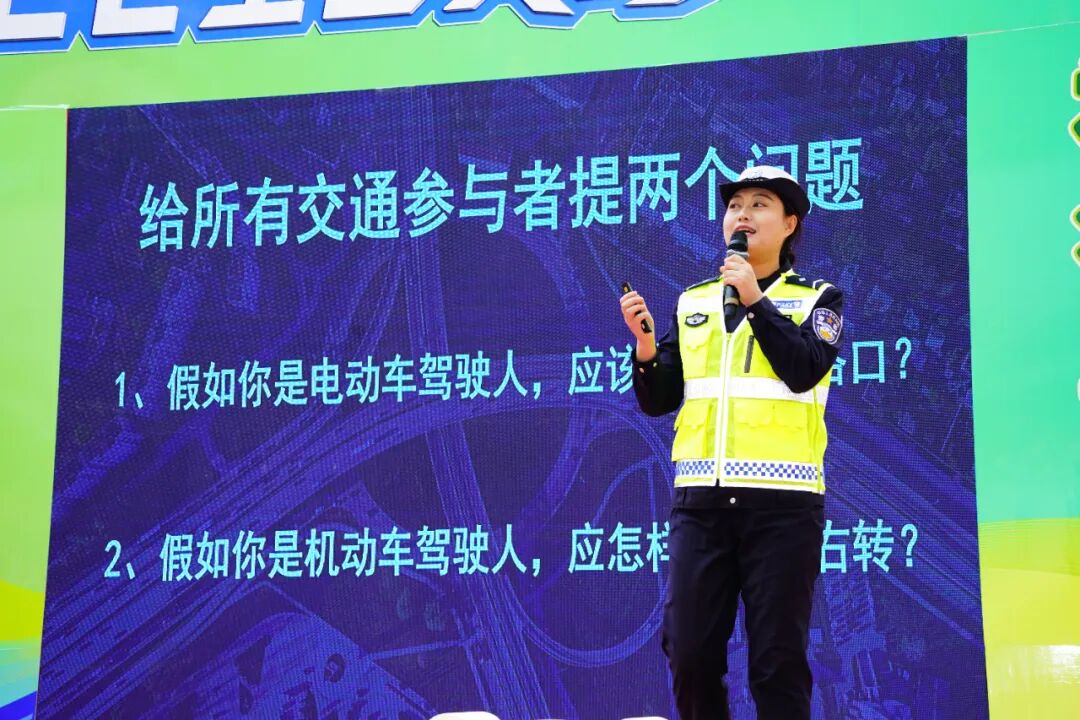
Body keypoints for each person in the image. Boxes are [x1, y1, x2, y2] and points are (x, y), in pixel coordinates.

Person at [619, 166, 844, 720]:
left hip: (783, 507)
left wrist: (754, 299)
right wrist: (645, 347)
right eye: (735, 205)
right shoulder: (692, 302)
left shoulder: (819, 300)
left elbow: (803, 369)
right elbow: (659, 398)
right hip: (701, 505)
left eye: (759, 204)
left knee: (776, 661)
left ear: (789, 224)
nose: (742, 215)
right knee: (689, 650)